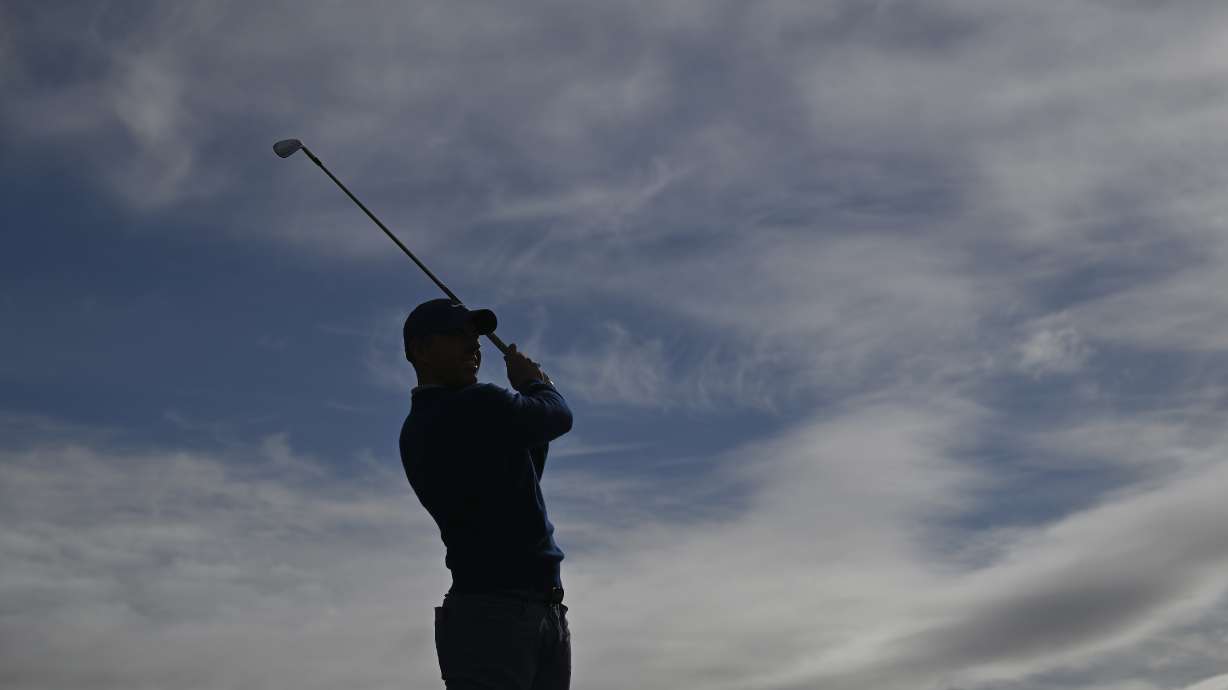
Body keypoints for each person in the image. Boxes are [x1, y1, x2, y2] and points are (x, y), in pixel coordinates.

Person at [398, 298, 575, 690]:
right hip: (498, 614)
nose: (473, 346)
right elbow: (558, 416)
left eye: (474, 337)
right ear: (421, 350)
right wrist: (534, 383)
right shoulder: (476, 404)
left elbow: (523, 476)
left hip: (512, 610)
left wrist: (531, 400)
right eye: (456, 336)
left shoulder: (421, 424)